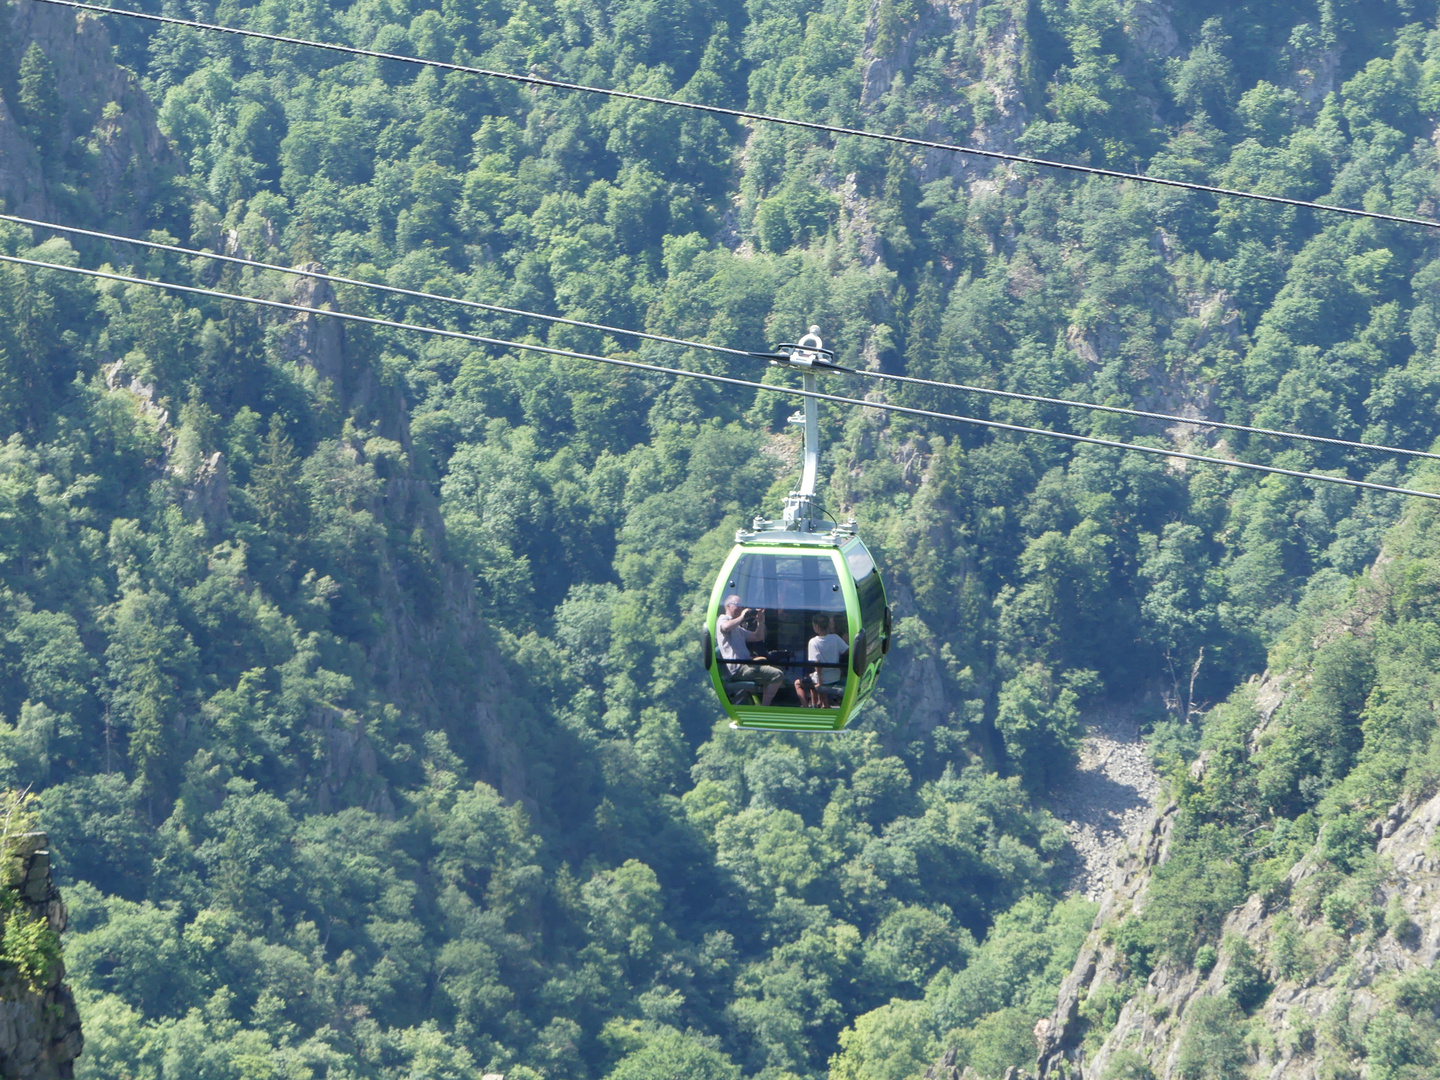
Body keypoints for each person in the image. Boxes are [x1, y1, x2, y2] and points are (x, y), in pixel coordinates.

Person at [717, 595, 786, 705]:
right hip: (739, 669)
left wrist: (760, 621)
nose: (740, 608)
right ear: (728, 606)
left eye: (741, 605)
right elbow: (725, 627)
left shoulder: (738, 629)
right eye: (737, 605)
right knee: (777, 675)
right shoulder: (723, 619)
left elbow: (757, 637)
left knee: (777, 667)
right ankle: (764, 708)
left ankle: (765, 703)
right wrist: (742, 617)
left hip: (746, 665)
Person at [796, 614, 848, 707]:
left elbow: (817, 664)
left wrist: (820, 683)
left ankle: (805, 707)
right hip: (835, 675)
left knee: (798, 684)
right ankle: (821, 704)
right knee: (811, 676)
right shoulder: (835, 638)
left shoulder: (813, 642)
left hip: (824, 678)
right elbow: (847, 651)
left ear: (816, 626)